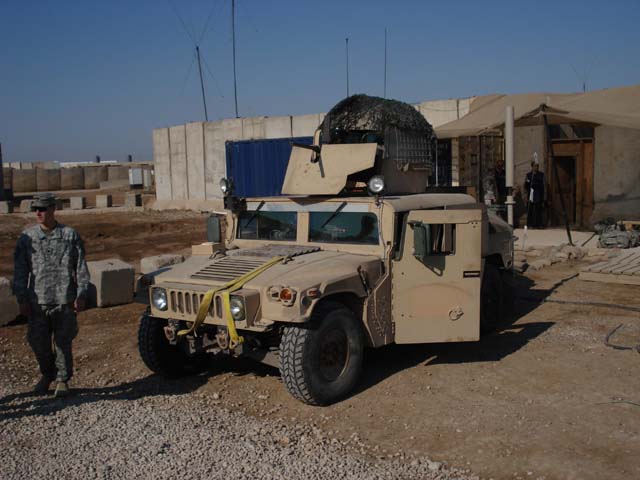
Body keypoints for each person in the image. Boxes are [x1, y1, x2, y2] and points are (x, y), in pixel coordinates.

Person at [13, 193, 90, 397]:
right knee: (39, 343)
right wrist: (21, 298)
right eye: (35, 209)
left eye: (43, 208)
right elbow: (20, 271)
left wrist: (81, 294)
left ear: (53, 209)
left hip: (64, 299)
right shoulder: (27, 238)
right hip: (37, 301)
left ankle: (62, 379)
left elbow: (80, 267)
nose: (38, 212)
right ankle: (47, 375)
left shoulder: (69, 235)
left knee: (63, 343)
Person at [524, 160, 546, 228]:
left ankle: (539, 224)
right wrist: (525, 196)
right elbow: (526, 185)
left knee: (538, 209)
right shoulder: (528, 175)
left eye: (537, 166)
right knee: (530, 209)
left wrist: (544, 196)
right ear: (532, 166)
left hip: (539, 193)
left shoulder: (541, 175)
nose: (536, 167)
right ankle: (530, 224)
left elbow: (544, 185)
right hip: (531, 193)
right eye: (535, 166)